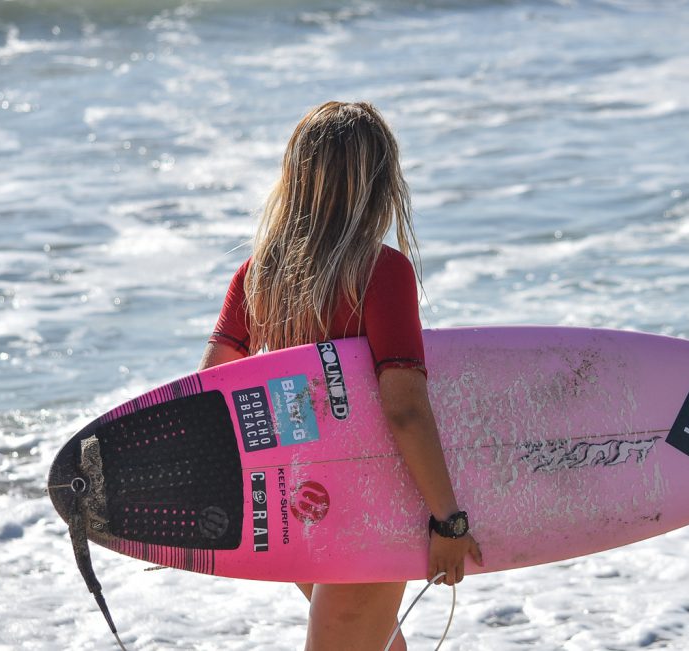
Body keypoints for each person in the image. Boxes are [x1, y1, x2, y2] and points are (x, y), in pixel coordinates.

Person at [198, 101, 483, 651]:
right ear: (379, 186)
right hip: (369, 507)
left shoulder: (257, 277)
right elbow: (405, 407)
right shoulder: (380, 271)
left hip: (299, 506)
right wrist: (448, 521)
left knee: (374, 642)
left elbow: (211, 392)